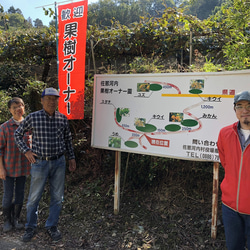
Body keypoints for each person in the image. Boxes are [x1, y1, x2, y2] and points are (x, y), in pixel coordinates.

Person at [14, 87, 76, 242]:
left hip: (59, 162)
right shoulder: (33, 117)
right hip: (39, 163)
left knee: (57, 197)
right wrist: (26, 151)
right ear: (42, 101)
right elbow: (18, 134)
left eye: (54, 98)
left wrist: (72, 158)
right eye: (48, 98)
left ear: (58, 101)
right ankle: (30, 227)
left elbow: (68, 140)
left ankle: (52, 226)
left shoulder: (62, 118)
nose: (51, 101)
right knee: (34, 197)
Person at [217, 90, 250, 250]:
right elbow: (226, 163)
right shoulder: (225, 134)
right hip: (230, 207)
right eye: (240, 106)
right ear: (235, 110)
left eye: (249, 106)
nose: (245, 110)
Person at [0, 97, 31, 232]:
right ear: (10, 110)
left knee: (20, 194)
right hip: (8, 168)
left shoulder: (29, 126)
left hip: (23, 168)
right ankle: (7, 220)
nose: (19, 109)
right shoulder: (4, 127)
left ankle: (16, 218)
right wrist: (1, 169)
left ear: (24, 108)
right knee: (7, 195)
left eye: (21, 106)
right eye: (15, 107)